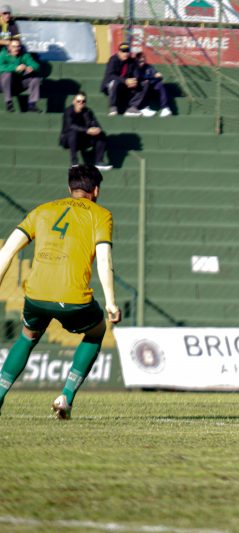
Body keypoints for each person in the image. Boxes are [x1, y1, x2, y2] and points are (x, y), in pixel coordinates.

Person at [0, 165, 120, 419]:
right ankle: (66, 396)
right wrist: (110, 302)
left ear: (70, 189)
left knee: (27, 337)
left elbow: (7, 252)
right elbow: (104, 259)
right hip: (73, 297)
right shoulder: (101, 215)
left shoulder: (42, 210)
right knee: (96, 331)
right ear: (96, 190)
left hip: (36, 295)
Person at [60, 92, 112, 171]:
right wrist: (87, 130)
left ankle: (99, 161)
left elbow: (96, 124)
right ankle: (74, 163)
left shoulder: (88, 111)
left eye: (83, 101)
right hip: (68, 139)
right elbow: (70, 126)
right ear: (74, 101)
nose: (81, 103)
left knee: (101, 135)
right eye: (78, 101)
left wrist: (96, 129)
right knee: (72, 132)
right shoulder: (68, 111)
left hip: (83, 139)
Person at [100, 42, 154, 117]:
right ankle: (113, 107)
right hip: (113, 86)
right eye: (123, 51)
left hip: (126, 86)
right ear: (119, 52)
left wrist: (134, 81)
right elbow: (111, 75)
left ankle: (132, 108)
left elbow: (137, 74)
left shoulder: (132, 61)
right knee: (115, 82)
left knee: (144, 83)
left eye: (127, 51)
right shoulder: (113, 60)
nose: (125, 54)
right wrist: (125, 80)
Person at [0, 38, 41, 113]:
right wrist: (15, 68)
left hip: (18, 84)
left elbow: (36, 65)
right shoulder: (2, 54)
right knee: (7, 74)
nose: (16, 49)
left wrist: (31, 68)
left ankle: (32, 104)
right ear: (9, 47)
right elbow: (0, 67)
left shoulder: (24, 54)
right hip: (3, 84)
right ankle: (9, 102)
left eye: (18, 46)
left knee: (35, 77)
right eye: (13, 46)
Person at [135, 52, 171, 117]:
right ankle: (144, 108)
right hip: (140, 90)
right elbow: (139, 78)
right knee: (145, 83)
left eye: (143, 58)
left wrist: (151, 78)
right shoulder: (134, 67)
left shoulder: (149, 67)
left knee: (160, 85)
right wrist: (152, 78)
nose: (142, 60)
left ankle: (165, 108)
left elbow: (159, 76)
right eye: (140, 59)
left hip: (151, 87)